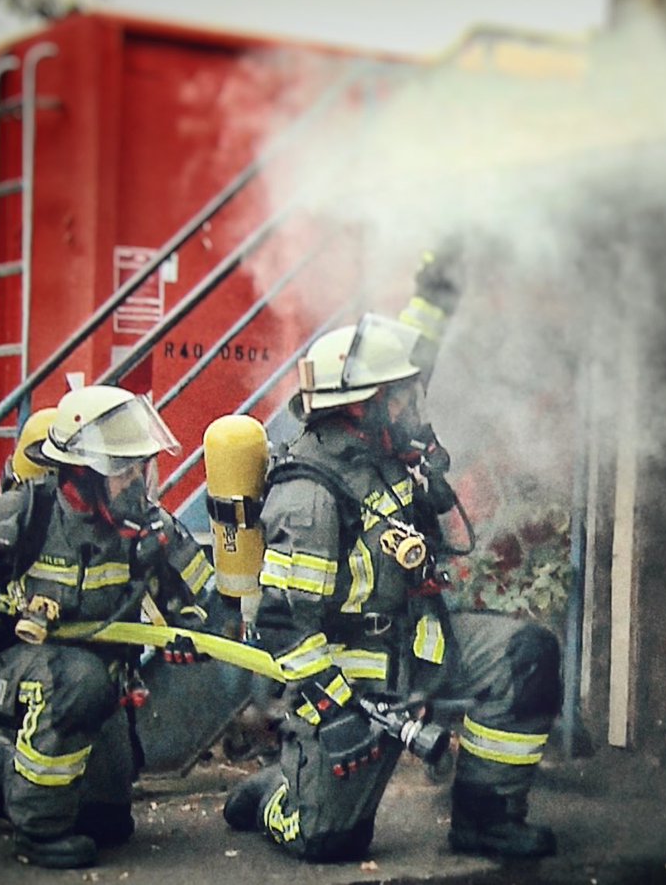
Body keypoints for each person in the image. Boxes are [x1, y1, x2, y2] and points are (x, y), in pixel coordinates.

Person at [223, 249, 563, 862]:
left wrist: (439, 290)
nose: (414, 405)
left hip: (418, 643)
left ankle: (487, 819)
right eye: (401, 397)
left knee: (527, 656)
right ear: (361, 403)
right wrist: (337, 710)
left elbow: (413, 353)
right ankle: (277, 793)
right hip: (354, 675)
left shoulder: (383, 447)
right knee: (330, 842)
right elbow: (282, 627)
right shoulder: (310, 493)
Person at [0, 384, 217, 869]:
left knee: (108, 821)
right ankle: (38, 831)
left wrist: (191, 632)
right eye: (122, 471)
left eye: (139, 468)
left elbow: (202, 603)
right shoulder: (21, 514)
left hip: (97, 680)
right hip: (6, 662)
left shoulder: (149, 528)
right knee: (76, 682)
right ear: (81, 474)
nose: (137, 483)